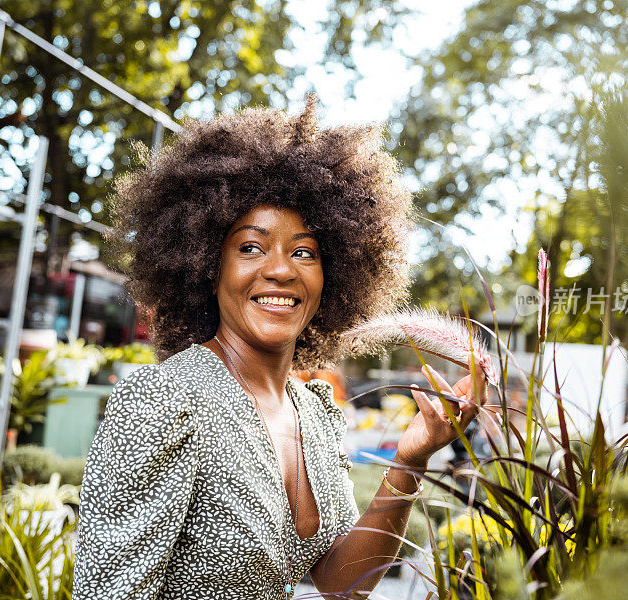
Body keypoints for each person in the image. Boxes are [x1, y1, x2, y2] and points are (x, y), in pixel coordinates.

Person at [72, 94, 490, 600]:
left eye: (304, 252)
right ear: (206, 265)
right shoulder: (164, 401)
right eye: (250, 247)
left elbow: (338, 582)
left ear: (332, 277)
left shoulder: (315, 414)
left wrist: (410, 461)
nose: (281, 269)